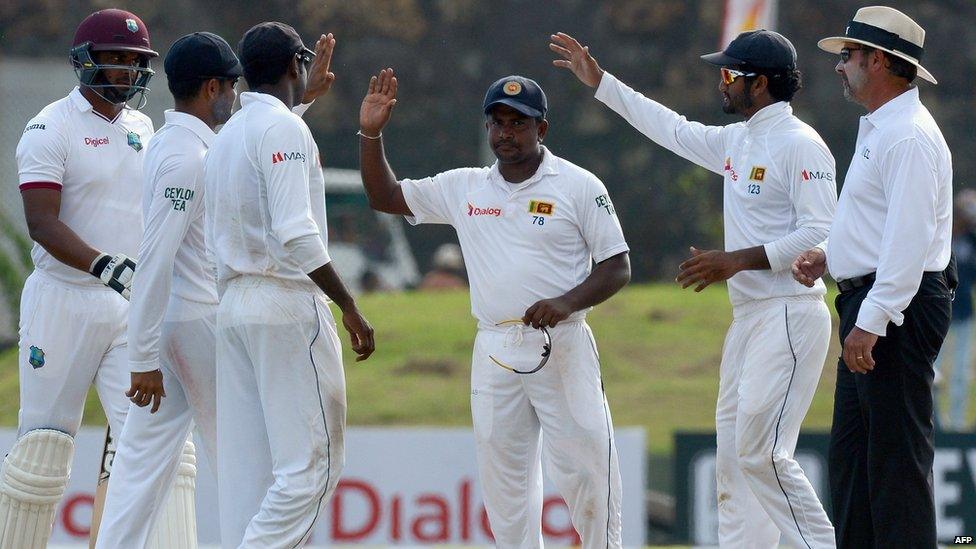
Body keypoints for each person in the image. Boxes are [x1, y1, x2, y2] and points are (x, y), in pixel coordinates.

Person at [551, 30, 838, 548]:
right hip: (750, 319)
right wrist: (602, 84)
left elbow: (823, 230)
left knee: (763, 455)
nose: (720, 83)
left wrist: (737, 261)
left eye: (730, 75)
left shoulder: (801, 144)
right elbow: (672, 129)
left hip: (792, 314)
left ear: (762, 84)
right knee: (732, 464)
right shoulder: (738, 140)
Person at [359, 69, 631, 548]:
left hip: (560, 344)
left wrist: (566, 303)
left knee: (586, 472)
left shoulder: (579, 185)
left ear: (541, 129)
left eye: (518, 123)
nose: (506, 134)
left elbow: (617, 266)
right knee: (505, 486)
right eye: (497, 123)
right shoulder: (466, 187)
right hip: (494, 348)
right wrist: (371, 133)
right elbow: (386, 197)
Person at [94, 29, 339, 549]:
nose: (236, 95)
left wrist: (305, 101)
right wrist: (140, 355)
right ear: (212, 88)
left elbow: (263, 143)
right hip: (201, 322)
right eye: (231, 85)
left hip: (175, 325)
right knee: (247, 467)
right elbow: (156, 257)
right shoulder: (189, 156)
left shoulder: (177, 142)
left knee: (139, 469)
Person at [205, 22, 374, 548]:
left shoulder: (229, 132)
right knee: (312, 467)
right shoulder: (283, 130)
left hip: (233, 308)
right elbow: (296, 232)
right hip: (284, 303)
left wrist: (303, 102)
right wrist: (347, 305)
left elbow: (267, 145)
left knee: (251, 474)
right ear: (294, 67)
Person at [792, 6, 953, 548]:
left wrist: (874, 319)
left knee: (894, 467)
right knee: (854, 463)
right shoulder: (885, 128)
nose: (840, 67)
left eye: (848, 56)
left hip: (895, 309)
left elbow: (910, 241)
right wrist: (829, 254)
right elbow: (876, 222)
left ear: (878, 61)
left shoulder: (906, 135)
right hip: (877, 302)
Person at [0, 9, 160, 547]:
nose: (128, 72)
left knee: (146, 443)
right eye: (116, 59)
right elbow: (41, 223)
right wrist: (102, 264)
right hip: (62, 301)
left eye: (136, 62)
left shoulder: (143, 127)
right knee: (42, 451)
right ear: (86, 61)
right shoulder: (50, 126)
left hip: (125, 307)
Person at [934, 190, 976, 431]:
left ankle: (958, 426)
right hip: (939, 312)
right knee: (933, 371)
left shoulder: (971, 240)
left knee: (961, 372)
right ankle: (935, 423)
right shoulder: (942, 235)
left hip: (963, 313)